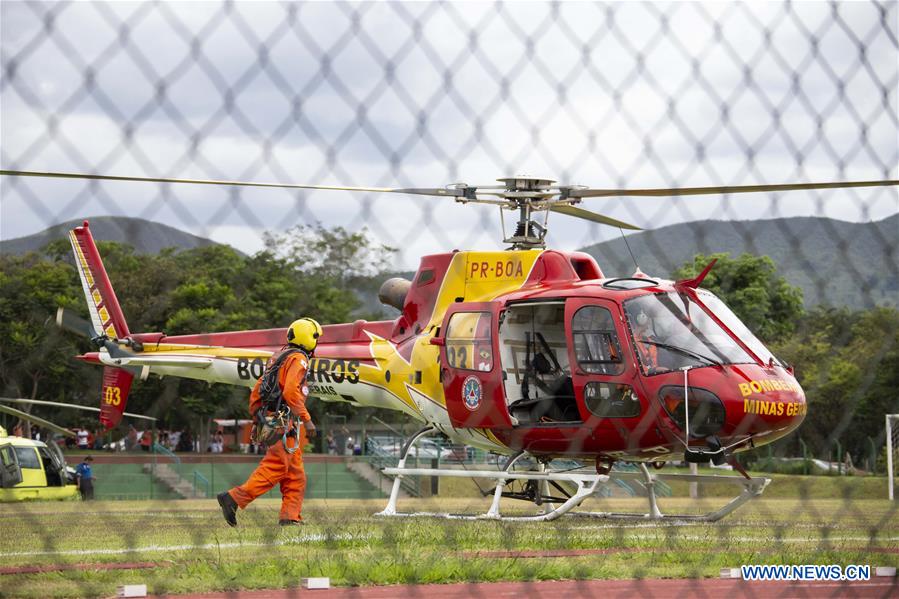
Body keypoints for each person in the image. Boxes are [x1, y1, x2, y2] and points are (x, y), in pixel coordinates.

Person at [217, 318, 321, 527]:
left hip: (273, 419)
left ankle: (290, 516)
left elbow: (257, 389)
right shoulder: (299, 358)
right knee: (276, 467)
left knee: (295, 475)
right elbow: (292, 391)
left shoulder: (279, 356)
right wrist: (307, 420)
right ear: (310, 338)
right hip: (284, 422)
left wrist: (258, 417)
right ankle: (234, 498)